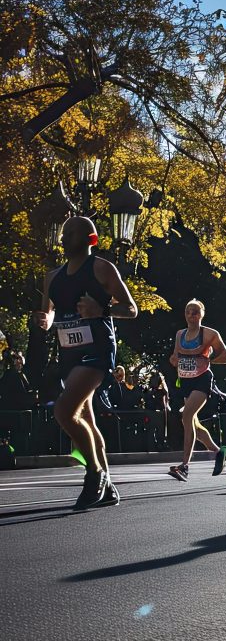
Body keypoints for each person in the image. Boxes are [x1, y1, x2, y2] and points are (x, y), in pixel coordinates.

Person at [33, 216, 138, 509]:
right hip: (69, 352)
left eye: (71, 233)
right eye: (63, 233)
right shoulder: (52, 277)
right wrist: (45, 320)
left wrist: (102, 309)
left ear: (90, 239)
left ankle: (95, 473)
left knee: (64, 411)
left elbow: (131, 309)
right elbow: (50, 312)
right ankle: (109, 488)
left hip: (97, 350)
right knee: (87, 421)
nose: (63, 237)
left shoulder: (102, 268)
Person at [167, 300, 226, 480]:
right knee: (192, 423)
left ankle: (184, 466)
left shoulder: (210, 334)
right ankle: (219, 452)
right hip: (185, 381)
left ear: (202, 314)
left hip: (202, 380)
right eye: (188, 312)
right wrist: (174, 360)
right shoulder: (180, 334)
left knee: (186, 416)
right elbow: (175, 356)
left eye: (195, 312)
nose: (191, 315)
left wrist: (208, 360)